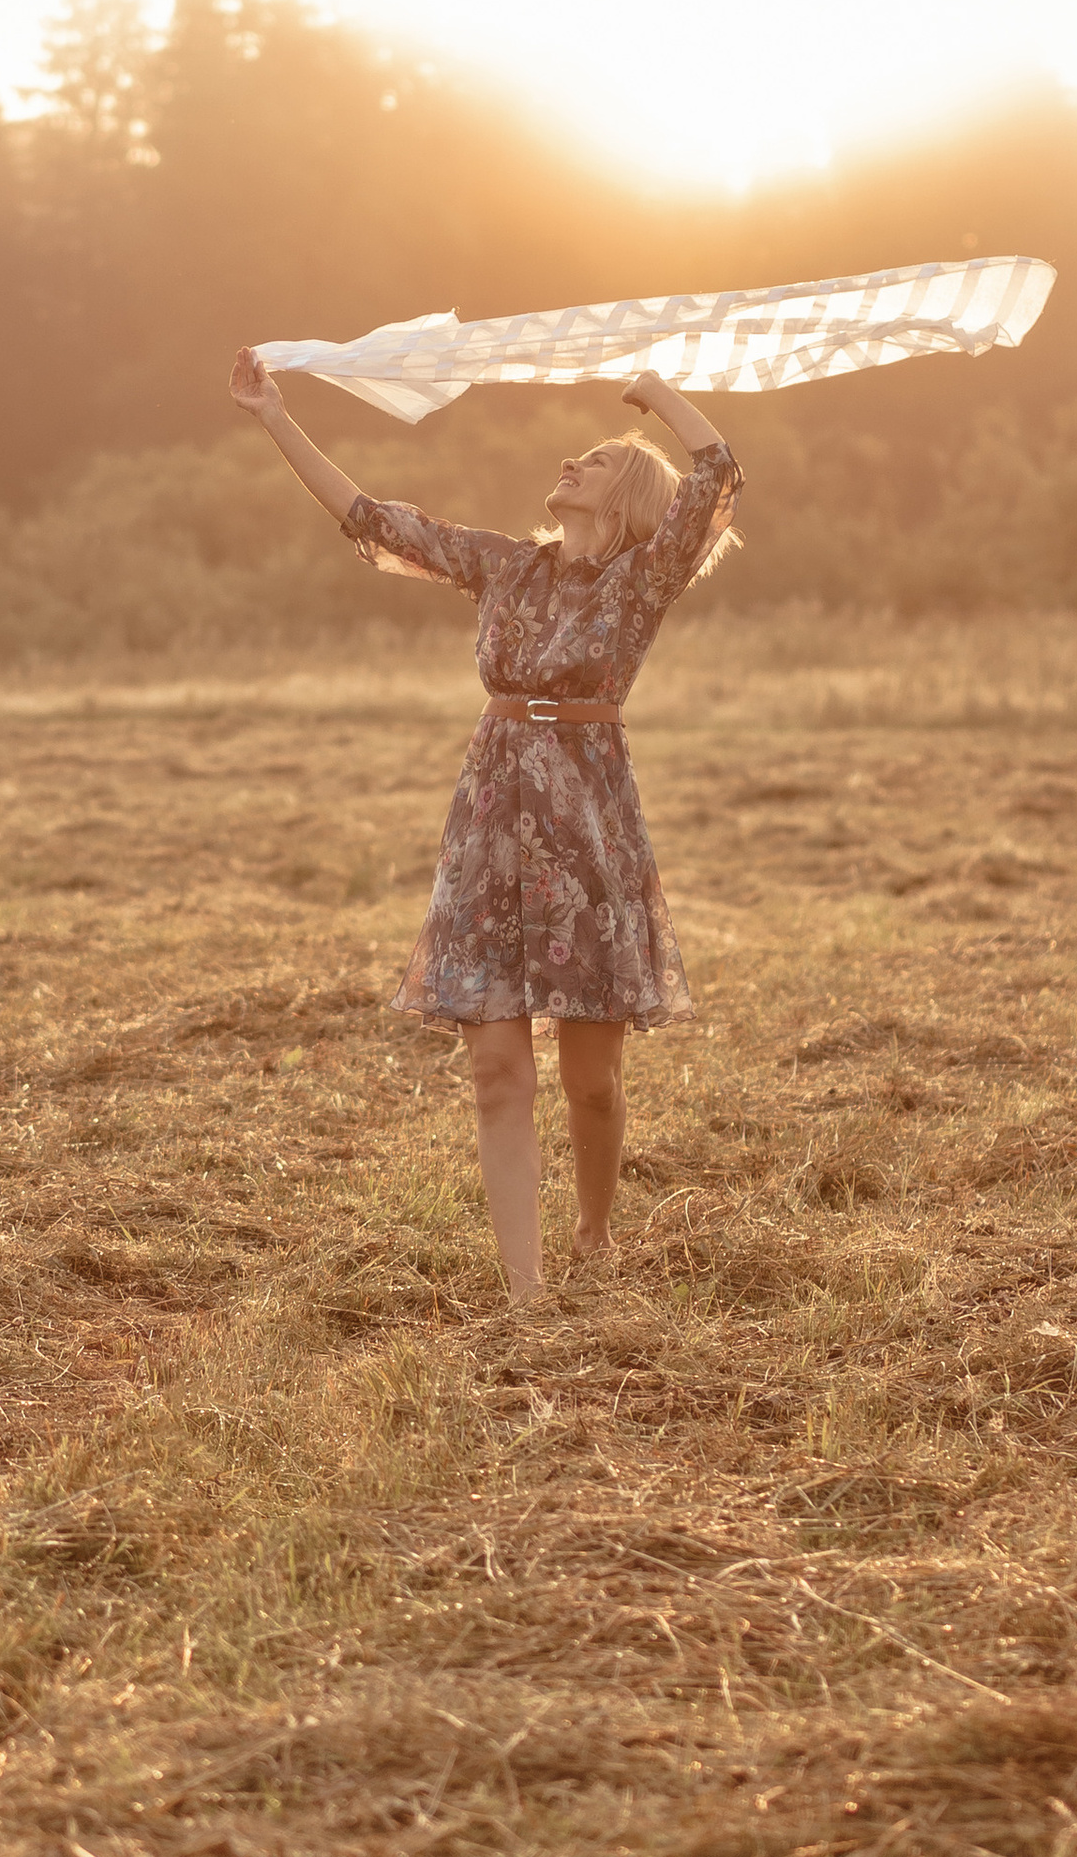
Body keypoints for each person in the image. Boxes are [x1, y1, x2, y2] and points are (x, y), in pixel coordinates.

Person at [229, 346, 742, 1299]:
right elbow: (371, 517)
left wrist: (657, 394)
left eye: (590, 460)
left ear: (625, 495)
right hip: (491, 820)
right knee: (499, 1071)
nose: (566, 465)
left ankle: (592, 1233)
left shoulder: (640, 581)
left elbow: (718, 475)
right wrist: (274, 416)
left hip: (587, 831)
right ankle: (525, 1291)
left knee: (591, 1078)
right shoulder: (507, 567)